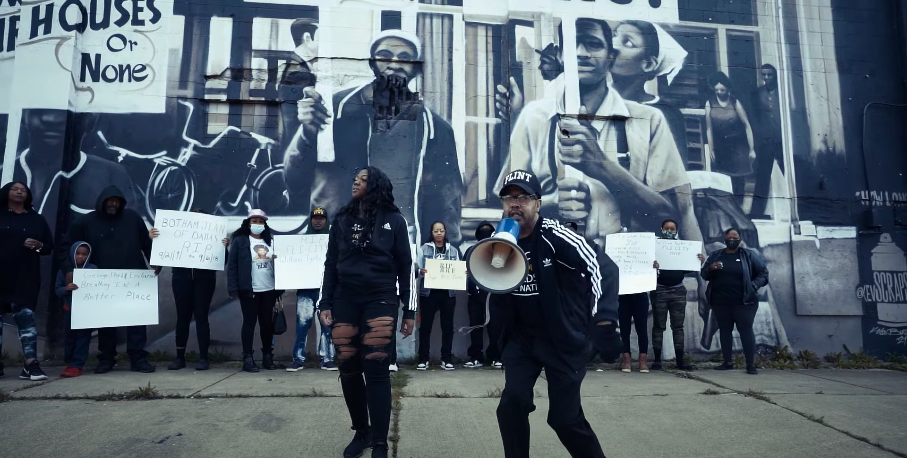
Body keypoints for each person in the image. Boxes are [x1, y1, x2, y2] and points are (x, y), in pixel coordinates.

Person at [497, 18, 701, 251]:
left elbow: (670, 214)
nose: (581, 53)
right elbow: (509, 205)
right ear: (562, 56)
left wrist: (601, 166)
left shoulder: (649, 120)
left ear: (610, 57)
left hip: (626, 266)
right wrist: (551, 204)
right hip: (554, 261)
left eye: (593, 44)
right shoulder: (534, 117)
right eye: (573, 45)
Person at [284, 28, 463, 250]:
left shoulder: (435, 128)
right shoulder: (334, 110)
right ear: (372, 62)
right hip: (340, 242)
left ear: (416, 69)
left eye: (405, 58)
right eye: (385, 54)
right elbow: (294, 178)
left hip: (399, 245)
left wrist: (447, 248)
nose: (395, 63)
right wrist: (308, 132)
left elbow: (448, 199)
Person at [491, 169, 620, 458]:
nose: (515, 203)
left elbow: (603, 268)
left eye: (523, 197)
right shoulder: (498, 240)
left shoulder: (555, 234)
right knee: (511, 405)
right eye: (509, 198)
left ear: (537, 203)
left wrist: (605, 319)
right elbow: (487, 279)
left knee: (565, 420)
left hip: (562, 338)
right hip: (522, 339)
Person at [317, 166, 415, 458]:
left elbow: (406, 268)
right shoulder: (342, 219)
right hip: (345, 298)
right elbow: (330, 263)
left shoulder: (395, 221)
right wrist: (325, 302)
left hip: (380, 299)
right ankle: (362, 431)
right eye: (354, 178)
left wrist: (409, 310)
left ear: (376, 186)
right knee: (347, 366)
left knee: (376, 368)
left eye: (362, 179)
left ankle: (381, 441)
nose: (355, 182)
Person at [58, 186, 156, 374]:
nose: (113, 204)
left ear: (122, 203)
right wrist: (69, 270)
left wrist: (155, 262)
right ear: (101, 201)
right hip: (102, 281)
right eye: (110, 200)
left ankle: (138, 358)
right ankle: (107, 358)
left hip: (133, 278)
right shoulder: (86, 221)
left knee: (137, 320)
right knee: (106, 322)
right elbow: (65, 245)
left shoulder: (133, 218)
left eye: (117, 201)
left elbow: (145, 242)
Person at [4, 110, 138, 219]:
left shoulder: (112, 175)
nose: (51, 118)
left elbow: (126, 231)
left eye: (69, 112)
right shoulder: (5, 173)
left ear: (91, 121)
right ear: (22, 116)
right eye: (39, 110)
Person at [149, 210, 230, 371]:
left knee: (201, 317)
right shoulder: (177, 234)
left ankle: (203, 358)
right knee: (182, 317)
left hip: (204, 279)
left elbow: (223, 261)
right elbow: (162, 253)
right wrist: (154, 239)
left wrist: (224, 247)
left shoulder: (212, 234)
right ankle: (180, 358)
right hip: (181, 278)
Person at [609, 20, 689, 164]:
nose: (612, 45)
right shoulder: (592, 100)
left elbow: (676, 172)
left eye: (627, 43)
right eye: (613, 36)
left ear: (647, 64)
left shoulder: (666, 113)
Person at [0, 182, 53, 380]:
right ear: (6, 193)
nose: (20, 191)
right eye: (15, 189)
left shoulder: (36, 219)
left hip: (25, 276)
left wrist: (39, 245)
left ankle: (31, 364)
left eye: (23, 189)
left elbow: (48, 247)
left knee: (26, 317)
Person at [700, 228, 769, 375]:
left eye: (735, 237)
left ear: (740, 239)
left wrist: (754, 285)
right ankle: (727, 362)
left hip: (744, 302)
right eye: (729, 237)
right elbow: (704, 274)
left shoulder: (748, 255)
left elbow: (763, 273)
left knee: (745, 330)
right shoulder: (715, 255)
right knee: (725, 331)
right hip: (720, 302)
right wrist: (711, 268)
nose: (732, 239)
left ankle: (750, 364)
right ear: (725, 239)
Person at [227, 209, 282, 373]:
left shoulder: (270, 241)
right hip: (250, 290)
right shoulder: (240, 241)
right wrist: (233, 288)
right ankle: (248, 358)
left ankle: (267, 357)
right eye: (254, 221)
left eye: (261, 221)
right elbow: (232, 267)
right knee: (249, 324)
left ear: (265, 224)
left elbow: (279, 263)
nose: (257, 224)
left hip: (269, 289)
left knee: (267, 324)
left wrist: (281, 286)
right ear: (248, 223)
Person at [650, 219, 705, 371]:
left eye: (672, 228)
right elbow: (645, 264)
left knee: (678, 327)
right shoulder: (655, 246)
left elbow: (687, 268)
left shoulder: (683, 247)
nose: (669, 230)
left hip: (678, 290)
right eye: (666, 228)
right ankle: (657, 360)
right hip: (659, 290)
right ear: (661, 229)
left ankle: (680, 361)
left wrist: (698, 260)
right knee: (658, 326)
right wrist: (652, 264)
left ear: (676, 231)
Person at [287, 206, 337, 372]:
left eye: (321, 218)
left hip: (327, 291)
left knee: (327, 326)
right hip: (306, 290)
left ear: (326, 220)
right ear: (311, 220)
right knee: (302, 324)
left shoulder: (334, 241)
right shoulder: (300, 241)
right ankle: (298, 359)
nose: (318, 221)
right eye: (315, 218)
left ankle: (327, 359)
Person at [416, 221, 461, 371]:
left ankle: (446, 359)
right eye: (436, 231)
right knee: (425, 327)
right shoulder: (424, 249)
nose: (439, 233)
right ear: (432, 233)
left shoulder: (453, 251)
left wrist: (462, 273)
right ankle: (423, 359)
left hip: (448, 294)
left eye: (441, 230)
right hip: (429, 293)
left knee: (447, 327)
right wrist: (420, 271)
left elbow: (458, 271)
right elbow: (416, 268)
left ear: (445, 232)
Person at [705, 72, 756, 201]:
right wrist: (711, 149)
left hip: (738, 146)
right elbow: (709, 128)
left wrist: (751, 149)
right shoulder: (709, 103)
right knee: (723, 180)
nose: (719, 92)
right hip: (721, 146)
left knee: (738, 181)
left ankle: (739, 209)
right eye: (716, 90)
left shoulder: (735, 102)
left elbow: (747, 126)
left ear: (728, 89)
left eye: (722, 90)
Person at [464, 221, 502, 369]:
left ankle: (496, 356)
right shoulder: (470, 251)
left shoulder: (498, 251)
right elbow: (461, 271)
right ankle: (475, 356)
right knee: (475, 327)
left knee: (496, 328)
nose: (484, 233)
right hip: (474, 296)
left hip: (494, 297)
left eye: (488, 231)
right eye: (482, 231)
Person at [55, 242, 97, 378]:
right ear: (72, 254)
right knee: (69, 338)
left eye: (84, 254)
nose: (80, 257)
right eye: (77, 253)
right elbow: (57, 290)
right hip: (69, 310)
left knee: (83, 338)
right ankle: (69, 361)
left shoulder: (93, 269)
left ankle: (77, 364)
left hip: (86, 312)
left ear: (88, 255)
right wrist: (66, 289)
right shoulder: (64, 271)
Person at [749, 63, 784, 218]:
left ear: (774, 75)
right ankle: (757, 212)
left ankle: (794, 210)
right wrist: (760, 135)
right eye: (764, 75)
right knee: (763, 175)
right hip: (766, 141)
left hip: (782, 139)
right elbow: (755, 117)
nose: (766, 78)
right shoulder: (757, 94)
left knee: (786, 172)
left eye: (769, 75)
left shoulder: (782, 91)